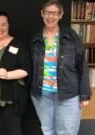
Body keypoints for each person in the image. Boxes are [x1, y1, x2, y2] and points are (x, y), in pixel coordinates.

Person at [30, 0, 91, 135]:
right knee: (48, 130)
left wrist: (85, 95)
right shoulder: (35, 38)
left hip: (68, 94)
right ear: (42, 14)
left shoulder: (71, 36)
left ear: (61, 15)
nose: (50, 17)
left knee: (67, 132)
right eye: (47, 13)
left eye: (54, 13)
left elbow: (82, 65)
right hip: (43, 95)